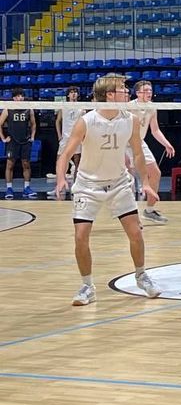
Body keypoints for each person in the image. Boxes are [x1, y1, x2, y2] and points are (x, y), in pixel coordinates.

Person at [54, 74, 160, 306]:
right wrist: (61, 178)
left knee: (136, 233)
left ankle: (141, 276)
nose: (127, 92)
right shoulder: (87, 121)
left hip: (119, 183)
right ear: (110, 95)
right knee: (80, 237)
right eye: (123, 88)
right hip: (88, 185)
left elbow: (138, 154)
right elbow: (66, 154)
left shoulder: (131, 119)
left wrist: (145, 182)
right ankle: (87, 286)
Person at [128, 81, 175, 225]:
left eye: (150, 90)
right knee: (128, 180)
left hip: (140, 143)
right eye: (145, 90)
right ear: (137, 93)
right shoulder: (129, 107)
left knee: (155, 173)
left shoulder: (152, 107)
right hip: (125, 144)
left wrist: (166, 144)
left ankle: (149, 210)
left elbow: (155, 130)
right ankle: (131, 215)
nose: (149, 92)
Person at [2, 87, 36, 200]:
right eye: (17, 96)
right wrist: (3, 138)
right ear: (13, 98)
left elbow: (33, 124)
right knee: (10, 165)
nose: (20, 98)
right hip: (12, 141)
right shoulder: (8, 109)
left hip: (25, 141)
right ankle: (9, 189)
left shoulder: (29, 109)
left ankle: (27, 188)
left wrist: (32, 136)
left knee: (26, 164)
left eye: (21, 96)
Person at [54, 86, 85, 199]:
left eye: (75, 92)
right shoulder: (64, 106)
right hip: (65, 138)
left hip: (77, 137)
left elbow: (85, 122)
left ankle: (76, 187)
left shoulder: (82, 107)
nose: (73, 94)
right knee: (60, 161)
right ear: (68, 95)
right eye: (71, 92)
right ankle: (59, 186)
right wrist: (59, 135)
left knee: (78, 163)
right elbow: (58, 121)